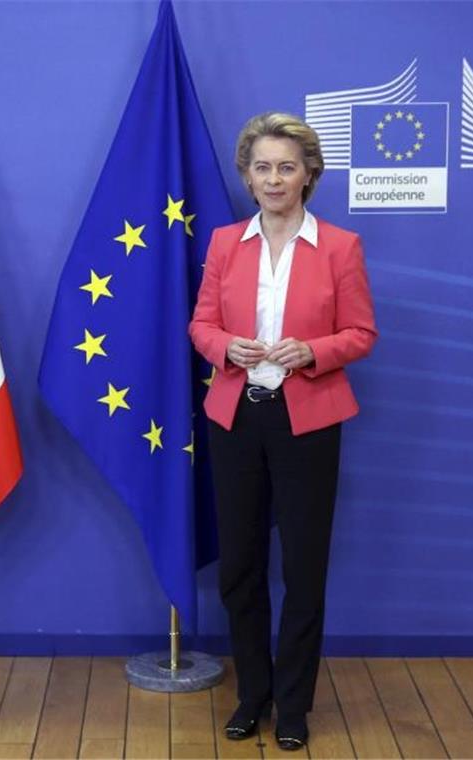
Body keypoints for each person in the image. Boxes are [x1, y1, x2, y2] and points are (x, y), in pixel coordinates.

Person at [189, 112, 376, 751]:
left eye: (287, 167)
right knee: (239, 567)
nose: (274, 178)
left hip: (309, 420)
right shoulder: (222, 243)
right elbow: (201, 325)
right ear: (247, 175)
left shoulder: (341, 246)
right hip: (236, 418)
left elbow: (361, 333)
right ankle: (253, 696)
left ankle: (293, 707)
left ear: (308, 175)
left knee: (303, 567)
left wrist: (314, 352)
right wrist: (226, 347)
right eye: (262, 167)